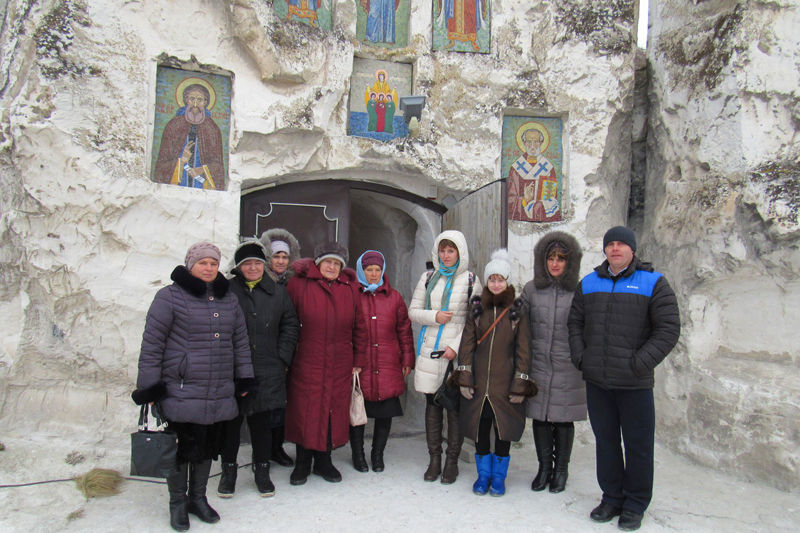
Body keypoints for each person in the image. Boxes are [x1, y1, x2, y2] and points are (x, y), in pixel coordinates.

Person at [132, 242, 257, 532]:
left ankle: (198, 499)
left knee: (206, 447)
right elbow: (152, 345)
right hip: (181, 388)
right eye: (203, 263)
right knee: (179, 448)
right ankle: (178, 502)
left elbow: (239, 342)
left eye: (214, 263)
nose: (209, 268)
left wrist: (245, 378)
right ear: (190, 265)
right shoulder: (169, 297)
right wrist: (150, 387)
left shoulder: (228, 299)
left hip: (218, 387)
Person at [568, 226, 680, 531]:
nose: (615, 249)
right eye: (610, 244)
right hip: (598, 381)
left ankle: (635, 503)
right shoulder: (588, 283)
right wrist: (582, 357)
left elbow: (668, 329)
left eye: (621, 244)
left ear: (632, 249)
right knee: (606, 443)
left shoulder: (653, 283)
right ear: (605, 250)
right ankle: (612, 498)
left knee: (638, 445)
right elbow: (575, 324)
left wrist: (639, 363)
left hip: (635, 383)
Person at [450, 249, 536, 497]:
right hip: (479, 382)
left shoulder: (516, 311)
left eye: (500, 279)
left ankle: (499, 477)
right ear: (486, 282)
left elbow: (523, 349)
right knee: (481, 426)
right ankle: (483, 474)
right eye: (492, 279)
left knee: (503, 428)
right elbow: (467, 344)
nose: (496, 283)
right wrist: (464, 377)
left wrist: (520, 383)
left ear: (507, 281)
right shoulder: (477, 308)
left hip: (504, 382)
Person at [217, 240, 299, 498]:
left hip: (268, 369)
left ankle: (261, 471)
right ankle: (228, 472)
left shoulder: (277, 292)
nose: (253, 268)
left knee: (262, 424)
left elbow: (290, 325)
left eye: (257, 263)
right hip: (233, 372)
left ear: (264, 265)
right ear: (238, 268)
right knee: (231, 424)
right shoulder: (227, 292)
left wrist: (282, 357)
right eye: (247, 264)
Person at [285, 242, 369, 485]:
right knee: (305, 409)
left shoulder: (351, 287)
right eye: (328, 262)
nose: (332, 267)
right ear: (318, 262)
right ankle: (302, 462)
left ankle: (324, 461)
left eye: (337, 263)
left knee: (333, 409)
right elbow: (287, 322)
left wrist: (358, 360)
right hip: (306, 359)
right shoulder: (298, 284)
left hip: (340, 360)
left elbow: (360, 326)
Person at [409, 230, 482, 484]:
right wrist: (434, 316)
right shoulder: (429, 277)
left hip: (455, 354)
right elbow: (414, 311)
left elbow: (475, 320)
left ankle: (452, 461)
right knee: (432, 406)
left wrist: (456, 346)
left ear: (459, 252)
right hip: (430, 350)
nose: (446, 255)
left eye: (451, 250)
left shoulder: (472, 280)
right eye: (443, 250)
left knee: (454, 408)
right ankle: (434, 460)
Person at [522, 231, 585, 494]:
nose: (556, 263)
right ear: (543, 261)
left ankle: (561, 471)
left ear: (570, 262)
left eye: (561, 258)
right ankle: (544, 467)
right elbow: (520, 324)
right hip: (538, 363)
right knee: (539, 417)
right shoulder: (531, 289)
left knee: (562, 418)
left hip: (567, 365)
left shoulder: (579, 291)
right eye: (551, 258)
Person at [350, 251, 415, 473]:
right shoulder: (352, 295)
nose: (374, 274)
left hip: (388, 364)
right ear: (362, 270)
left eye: (377, 270)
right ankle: (358, 455)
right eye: (369, 270)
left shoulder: (394, 297)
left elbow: (404, 330)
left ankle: (377, 455)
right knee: (357, 413)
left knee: (384, 412)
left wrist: (407, 358)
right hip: (360, 364)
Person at [260, 228, 303, 466]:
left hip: (288, 351)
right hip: (266, 352)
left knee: (282, 402)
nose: (280, 261)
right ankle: (264, 449)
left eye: (284, 257)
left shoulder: (293, 283)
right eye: (276, 256)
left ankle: (276, 447)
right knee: (265, 404)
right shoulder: (261, 281)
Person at [154, 84, 225, 190]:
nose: (195, 104)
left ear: (205, 102)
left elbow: (218, 165)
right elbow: (162, 164)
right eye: (192, 99)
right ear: (186, 100)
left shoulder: (212, 128)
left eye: (200, 100)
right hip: (177, 185)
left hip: (203, 184)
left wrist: (202, 169)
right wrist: (181, 161)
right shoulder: (173, 125)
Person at [507, 126, 560, 222]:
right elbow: (510, 199)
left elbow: (551, 197)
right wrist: (524, 200)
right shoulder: (517, 168)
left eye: (535, 142)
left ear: (540, 143)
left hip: (541, 213)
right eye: (529, 142)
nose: (532, 146)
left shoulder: (547, 167)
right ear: (524, 143)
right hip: (521, 218)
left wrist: (543, 204)